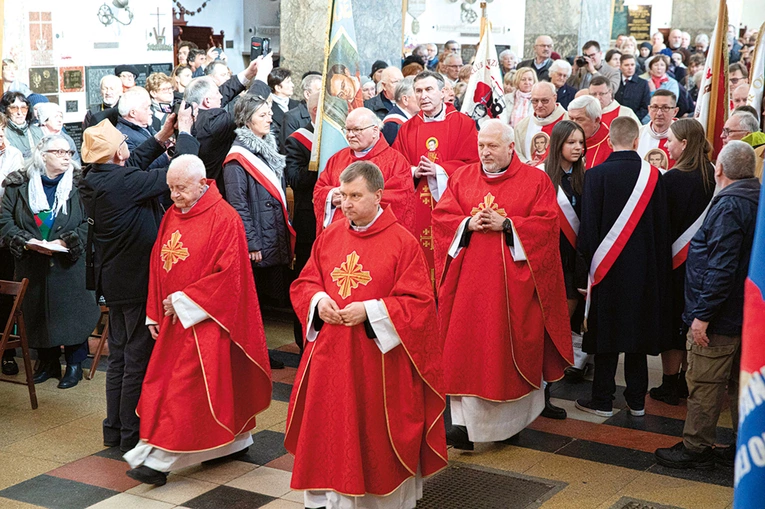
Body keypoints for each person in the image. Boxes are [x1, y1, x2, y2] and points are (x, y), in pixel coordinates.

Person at [287, 161, 447, 508]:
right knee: (329, 432)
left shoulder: (403, 243)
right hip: (331, 355)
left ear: (378, 196)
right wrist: (318, 300)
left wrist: (371, 311)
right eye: (343, 195)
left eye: (355, 196)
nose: (346, 203)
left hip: (378, 363)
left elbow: (419, 304)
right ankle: (327, 499)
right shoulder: (329, 236)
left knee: (371, 434)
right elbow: (306, 282)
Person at [123, 155, 272, 486]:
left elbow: (230, 275)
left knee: (185, 389)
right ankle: (235, 442)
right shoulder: (172, 215)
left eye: (181, 188)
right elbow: (159, 260)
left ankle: (159, 463)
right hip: (174, 318)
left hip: (210, 319)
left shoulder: (225, 218)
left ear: (202, 182)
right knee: (180, 387)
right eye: (171, 188)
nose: (174, 196)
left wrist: (183, 301)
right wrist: (154, 309)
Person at [432, 119, 573, 449]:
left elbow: (547, 227)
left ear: (511, 147)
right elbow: (442, 217)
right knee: (463, 353)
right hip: (467, 287)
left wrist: (508, 225)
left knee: (505, 356)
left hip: (512, 289)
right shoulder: (463, 177)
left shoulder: (535, 181)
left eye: (492, 146)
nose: (485, 152)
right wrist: (466, 223)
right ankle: (465, 428)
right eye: (481, 146)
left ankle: (510, 425)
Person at [79, 107, 198, 451]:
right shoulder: (122, 182)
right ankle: (132, 434)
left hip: (114, 282)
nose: (128, 146)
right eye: (124, 143)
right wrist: (186, 132)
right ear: (118, 151)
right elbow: (181, 173)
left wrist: (162, 137)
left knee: (118, 359)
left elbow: (132, 165)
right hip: (135, 285)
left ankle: (114, 430)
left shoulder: (95, 177)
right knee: (135, 359)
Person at [654, 141, 760, 470]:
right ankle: (742, 443)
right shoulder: (757, 197)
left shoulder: (729, 205)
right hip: (747, 313)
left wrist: (703, 316)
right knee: (739, 384)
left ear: (720, 170)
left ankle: (696, 446)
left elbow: (721, 267)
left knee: (704, 382)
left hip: (721, 316)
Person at [576, 117, 672, 418]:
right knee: (637, 336)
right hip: (644, 272)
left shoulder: (595, 176)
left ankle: (602, 401)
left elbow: (588, 229)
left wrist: (584, 274)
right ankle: (637, 401)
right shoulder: (654, 176)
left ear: (608, 141)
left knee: (606, 336)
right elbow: (662, 230)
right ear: (635, 142)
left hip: (606, 271)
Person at [0, 134, 101, 389]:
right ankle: (48, 362)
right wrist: (25, 241)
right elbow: (4, 221)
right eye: (58, 152)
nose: (66, 157)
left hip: (69, 264)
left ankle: (75, 364)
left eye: (69, 152)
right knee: (38, 314)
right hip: (32, 262)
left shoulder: (81, 185)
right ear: (42, 154)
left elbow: (90, 222)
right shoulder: (17, 185)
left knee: (73, 314)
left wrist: (66, 242)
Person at [649, 119, 715, 407]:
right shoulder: (714, 174)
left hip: (674, 264)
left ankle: (669, 383)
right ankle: (689, 379)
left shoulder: (671, 179)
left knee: (672, 319)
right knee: (693, 320)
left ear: (684, 144)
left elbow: (661, 225)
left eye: (671, 140)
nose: (667, 145)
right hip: (706, 263)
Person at [392, 71, 479, 286]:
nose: (423, 96)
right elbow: (395, 168)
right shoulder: (407, 129)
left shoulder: (463, 124)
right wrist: (414, 171)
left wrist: (439, 170)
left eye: (429, 90)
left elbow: (473, 165)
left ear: (443, 92)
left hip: (452, 209)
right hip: (417, 210)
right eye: (418, 91)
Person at [222, 95, 295, 332]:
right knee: (256, 304)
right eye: (262, 115)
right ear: (246, 120)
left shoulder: (269, 148)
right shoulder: (236, 159)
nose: (269, 119)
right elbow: (237, 204)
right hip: (258, 242)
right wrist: (252, 243)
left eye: (269, 114)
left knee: (270, 301)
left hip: (272, 233)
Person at [314, 107, 415, 236]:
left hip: (376, 237)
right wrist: (330, 196)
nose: (350, 135)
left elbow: (401, 201)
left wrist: (357, 199)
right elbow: (319, 190)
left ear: (374, 130)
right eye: (348, 130)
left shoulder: (396, 162)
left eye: (357, 130)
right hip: (339, 236)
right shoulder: (337, 159)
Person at [545, 120, 590, 381]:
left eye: (581, 142)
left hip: (576, 257)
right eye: (571, 142)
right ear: (558, 143)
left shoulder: (586, 177)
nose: (578, 148)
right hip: (551, 255)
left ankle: (567, 362)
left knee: (567, 314)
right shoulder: (542, 175)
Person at [187, 53, 272, 188]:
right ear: (207, 101)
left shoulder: (192, 110)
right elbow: (249, 106)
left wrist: (248, 73)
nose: (221, 96)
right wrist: (262, 75)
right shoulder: (211, 123)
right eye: (217, 93)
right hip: (214, 189)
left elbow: (224, 91)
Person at [514, 82, 567, 164]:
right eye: (535, 101)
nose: (539, 105)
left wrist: (543, 165)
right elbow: (516, 152)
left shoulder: (569, 121)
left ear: (555, 97)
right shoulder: (522, 126)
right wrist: (527, 163)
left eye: (544, 101)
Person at [567, 95, 613, 169]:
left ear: (596, 120)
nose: (573, 124)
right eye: (571, 118)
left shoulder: (611, 145)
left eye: (579, 119)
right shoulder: (563, 140)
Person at [637, 90, 678, 166]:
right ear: (649, 109)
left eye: (665, 108)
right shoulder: (638, 134)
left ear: (675, 111)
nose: (659, 113)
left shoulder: (682, 136)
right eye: (655, 107)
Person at [281, 73, 322, 148]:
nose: (323, 95)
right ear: (307, 94)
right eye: (320, 91)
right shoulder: (292, 117)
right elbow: (288, 149)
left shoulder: (327, 114)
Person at [721, 111, 764, 181]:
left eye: (728, 131)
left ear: (747, 134)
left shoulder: (757, 157)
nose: (722, 136)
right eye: (723, 130)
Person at [0, 92, 43, 160]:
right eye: (14, 108)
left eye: (23, 108)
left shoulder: (37, 131)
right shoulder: (2, 133)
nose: (19, 113)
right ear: (5, 110)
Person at [266, 68, 299, 153]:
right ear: (278, 88)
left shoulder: (298, 105)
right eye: (288, 82)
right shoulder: (266, 108)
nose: (292, 85)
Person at [381, 77, 419, 146]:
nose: (422, 97)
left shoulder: (416, 118)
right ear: (405, 99)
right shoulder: (392, 126)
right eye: (417, 94)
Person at [614, 55, 651, 124]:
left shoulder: (643, 84)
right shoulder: (615, 82)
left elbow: (645, 106)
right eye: (626, 65)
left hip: (634, 121)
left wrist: (633, 118)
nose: (630, 68)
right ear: (620, 67)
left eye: (632, 65)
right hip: (615, 120)